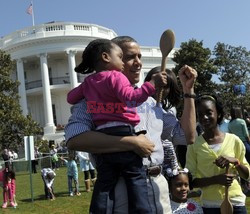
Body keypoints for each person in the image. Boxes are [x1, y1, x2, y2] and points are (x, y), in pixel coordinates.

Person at [65, 36, 197, 213]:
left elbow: (187, 136)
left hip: (160, 190)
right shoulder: (89, 101)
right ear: (108, 59)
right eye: (128, 57)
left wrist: (188, 91)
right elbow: (75, 139)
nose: (138, 63)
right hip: (121, 191)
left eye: (140, 57)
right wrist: (132, 142)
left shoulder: (150, 103)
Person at [186, 94, 250, 214]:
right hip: (210, 206)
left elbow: (247, 175)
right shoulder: (194, 145)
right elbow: (191, 181)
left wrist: (236, 162)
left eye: (209, 112)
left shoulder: (234, 140)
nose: (204, 117)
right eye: (200, 114)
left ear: (219, 114)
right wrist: (216, 179)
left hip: (236, 203)